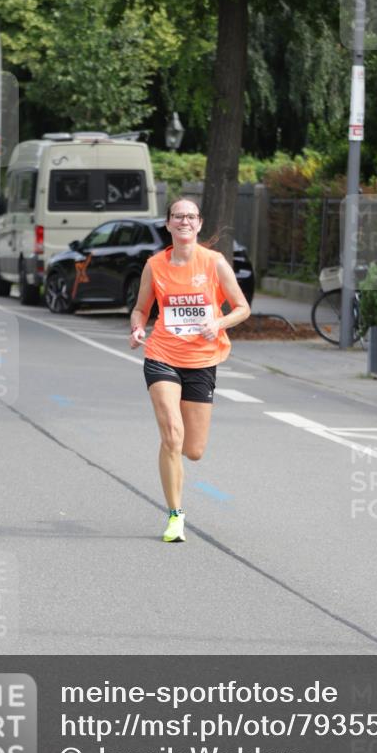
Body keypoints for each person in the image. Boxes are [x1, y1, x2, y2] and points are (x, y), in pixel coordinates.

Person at [129, 198, 251, 542]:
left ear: (199, 224)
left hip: (201, 361)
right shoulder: (155, 265)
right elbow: (140, 309)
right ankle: (175, 515)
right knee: (172, 433)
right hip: (162, 354)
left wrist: (219, 322)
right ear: (168, 224)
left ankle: (174, 452)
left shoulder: (214, 262)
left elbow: (242, 307)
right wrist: (137, 328)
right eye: (178, 216)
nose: (184, 221)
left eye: (190, 216)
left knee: (193, 450)